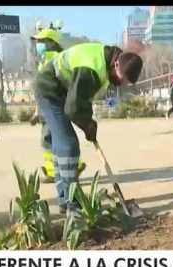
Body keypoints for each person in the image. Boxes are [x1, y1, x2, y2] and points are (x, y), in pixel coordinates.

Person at [32, 43, 143, 214]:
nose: (121, 83)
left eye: (126, 82)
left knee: (62, 145)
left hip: (64, 92)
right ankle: (72, 206)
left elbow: (83, 99)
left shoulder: (109, 63)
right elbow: (73, 109)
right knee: (68, 145)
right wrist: (88, 126)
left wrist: (89, 124)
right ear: (117, 65)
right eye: (122, 79)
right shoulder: (92, 68)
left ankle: (64, 200)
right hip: (50, 90)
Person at [29, 27, 86, 184]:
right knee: (52, 140)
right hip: (48, 106)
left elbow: (50, 86)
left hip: (54, 105)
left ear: (51, 42)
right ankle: (56, 171)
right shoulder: (45, 58)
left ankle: (71, 168)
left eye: (42, 41)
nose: (38, 44)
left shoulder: (53, 57)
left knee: (55, 140)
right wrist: (37, 111)